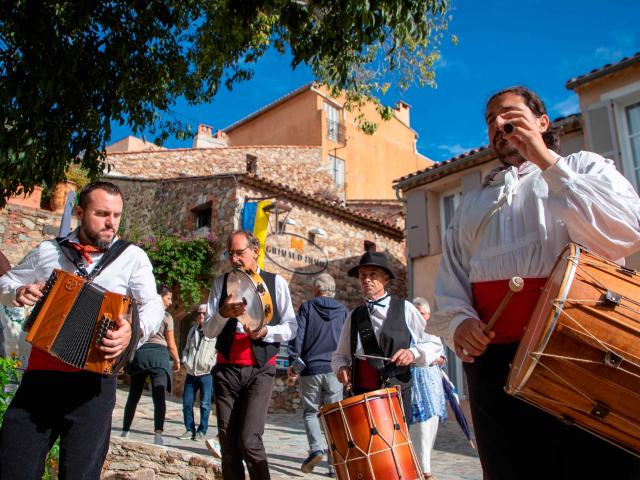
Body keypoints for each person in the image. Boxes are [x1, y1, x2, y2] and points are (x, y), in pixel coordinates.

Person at [430, 85, 640, 480]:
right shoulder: (472, 202)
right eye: (490, 120)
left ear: (543, 122)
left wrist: (544, 160)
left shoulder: (584, 166)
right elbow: (452, 278)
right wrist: (459, 323)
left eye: (508, 114)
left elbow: (625, 233)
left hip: (584, 348)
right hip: (495, 365)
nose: (498, 124)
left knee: (600, 467)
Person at [0, 181, 164, 479]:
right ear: (79, 212)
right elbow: (5, 282)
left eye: (116, 215)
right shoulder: (49, 251)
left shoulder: (132, 257)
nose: (111, 222)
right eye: (102, 213)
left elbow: (153, 305)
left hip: (94, 387)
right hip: (41, 379)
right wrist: (18, 291)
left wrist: (133, 333)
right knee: (12, 466)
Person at [203, 230, 297, 480]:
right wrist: (222, 313)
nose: (234, 259)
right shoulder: (220, 284)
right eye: (230, 253)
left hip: (260, 369)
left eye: (240, 253)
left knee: (249, 440)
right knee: (228, 445)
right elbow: (209, 332)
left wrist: (265, 332)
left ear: (255, 251)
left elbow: (291, 327)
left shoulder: (276, 284)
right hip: (226, 371)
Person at [332, 252, 443, 423]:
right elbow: (340, 355)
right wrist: (341, 368)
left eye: (372, 275)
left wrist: (413, 352)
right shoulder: (355, 315)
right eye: (362, 275)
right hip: (361, 392)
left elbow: (434, 343)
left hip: (396, 392)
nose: (366, 279)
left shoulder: (405, 308)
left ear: (386, 279)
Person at [287, 272, 348, 474]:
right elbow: (348, 341)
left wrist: (293, 363)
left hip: (311, 369)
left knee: (311, 412)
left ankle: (315, 449)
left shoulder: (307, 306)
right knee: (332, 416)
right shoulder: (342, 311)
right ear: (332, 290)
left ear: (317, 289)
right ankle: (333, 466)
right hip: (334, 369)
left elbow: (299, 336)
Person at [121, 285, 180, 445]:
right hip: (159, 358)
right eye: (168, 298)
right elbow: (171, 344)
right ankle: (158, 435)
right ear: (160, 297)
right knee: (159, 396)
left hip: (141, 355)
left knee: (134, 395)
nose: (169, 302)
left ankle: (125, 431)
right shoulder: (167, 317)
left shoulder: (141, 313)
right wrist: (177, 360)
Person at [410, 298, 447, 480]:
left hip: (432, 385)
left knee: (431, 424)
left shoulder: (433, 331)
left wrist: (435, 359)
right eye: (417, 313)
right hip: (415, 384)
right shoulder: (410, 331)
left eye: (423, 313)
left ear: (428, 315)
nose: (420, 317)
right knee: (420, 425)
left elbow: (442, 358)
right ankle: (423, 469)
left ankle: (425, 463)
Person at [179, 303, 217, 441]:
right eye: (199, 313)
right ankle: (189, 429)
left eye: (204, 313)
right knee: (187, 403)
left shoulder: (215, 332)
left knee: (205, 404)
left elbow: (218, 352)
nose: (201, 315)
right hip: (191, 372)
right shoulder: (192, 330)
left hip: (206, 373)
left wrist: (211, 363)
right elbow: (186, 348)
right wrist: (185, 359)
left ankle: (202, 431)